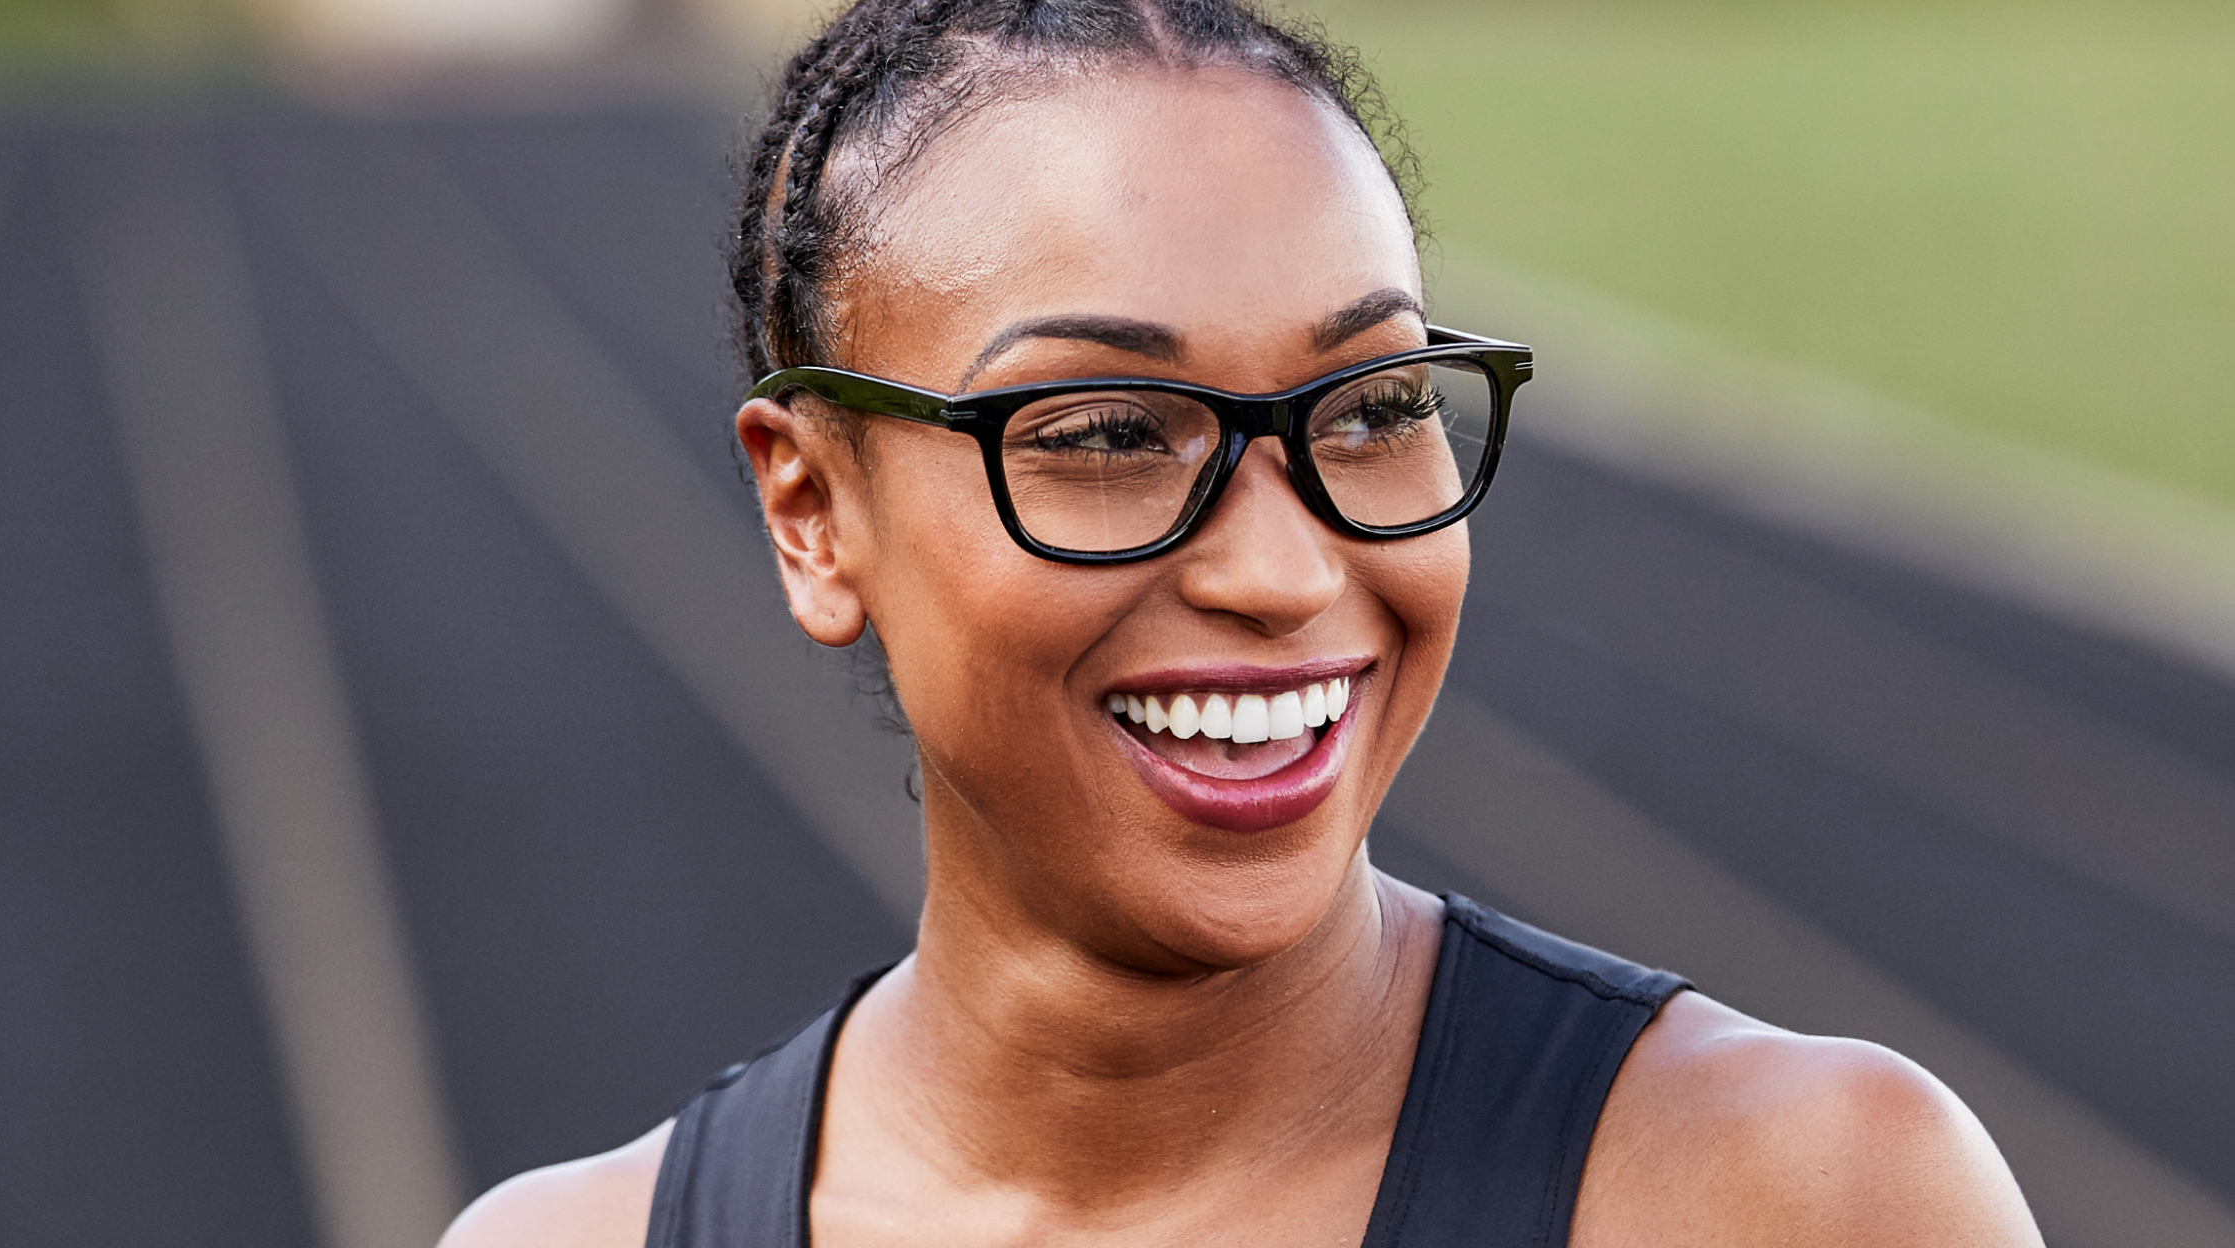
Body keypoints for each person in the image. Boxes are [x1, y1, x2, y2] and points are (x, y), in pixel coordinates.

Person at [443, 1, 2038, 1243]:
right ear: (810, 510)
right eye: (1103, 434)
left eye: (1375, 405)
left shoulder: (1802, 1202)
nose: (1280, 574)